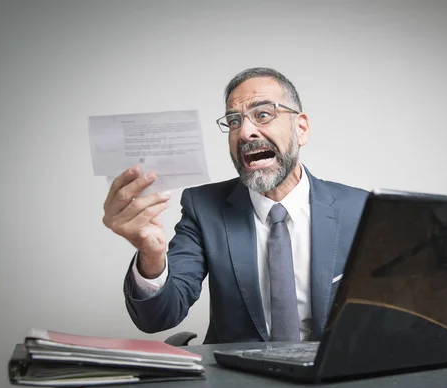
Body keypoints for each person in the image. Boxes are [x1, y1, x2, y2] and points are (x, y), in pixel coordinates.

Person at [103, 67, 368, 344]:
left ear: (300, 129)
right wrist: (152, 254)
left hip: (329, 380)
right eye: (233, 121)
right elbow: (158, 317)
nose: (245, 133)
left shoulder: (358, 208)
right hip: (238, 380)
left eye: (263, 114)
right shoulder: (203, 207)